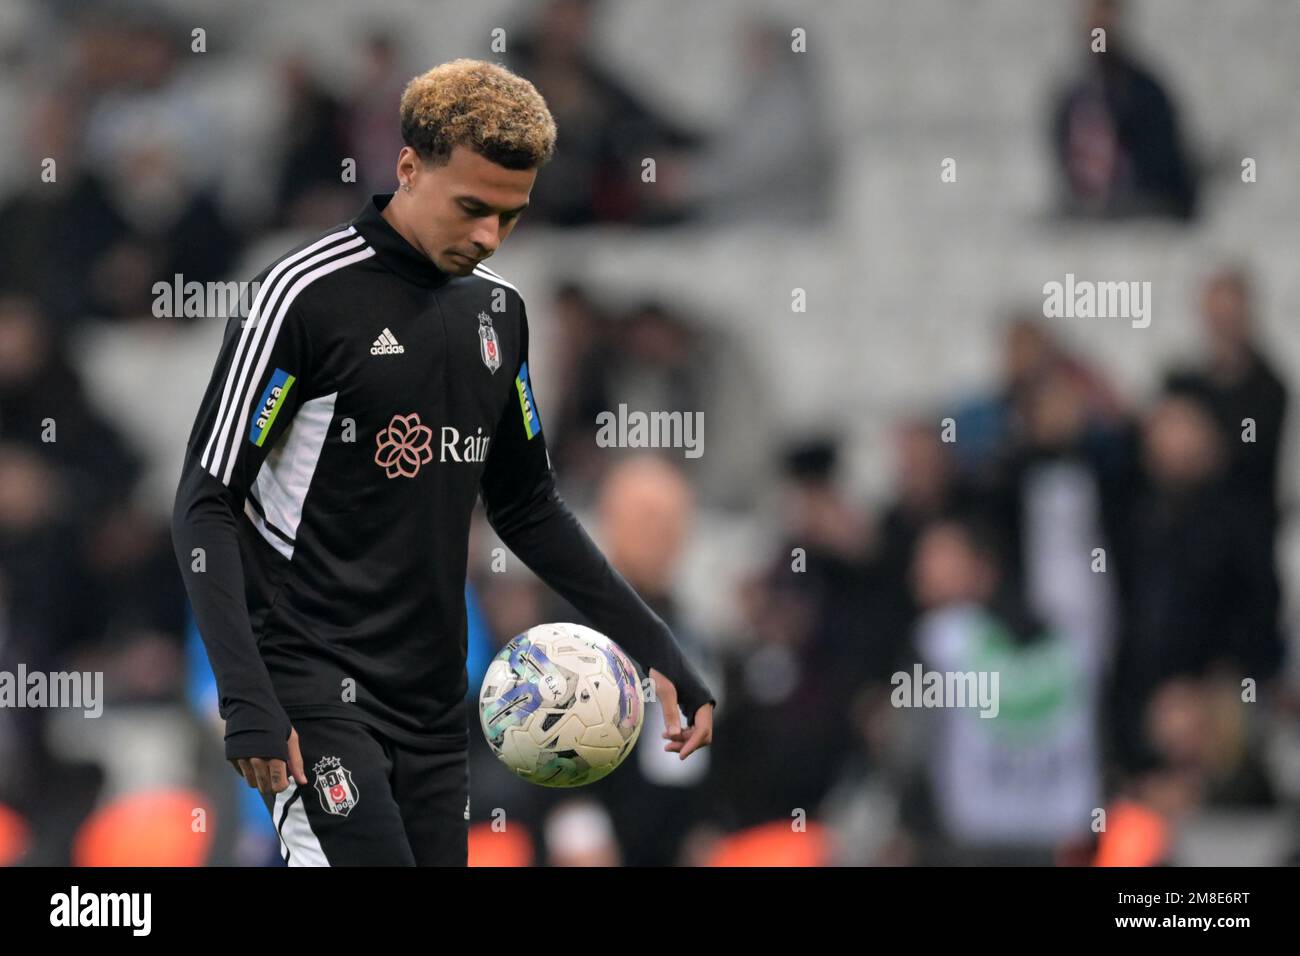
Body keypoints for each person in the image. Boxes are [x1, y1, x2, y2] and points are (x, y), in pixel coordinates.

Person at [170, 58, 715, 867]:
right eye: (471, 208)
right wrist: (248, 697)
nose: (490, 236)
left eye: (511, 215)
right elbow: (206, 501)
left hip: (432, 709)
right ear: (408, 168)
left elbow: (528, 507)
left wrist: (658, 645)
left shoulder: (499, 314)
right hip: (311, 692)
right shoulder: (298, 297)